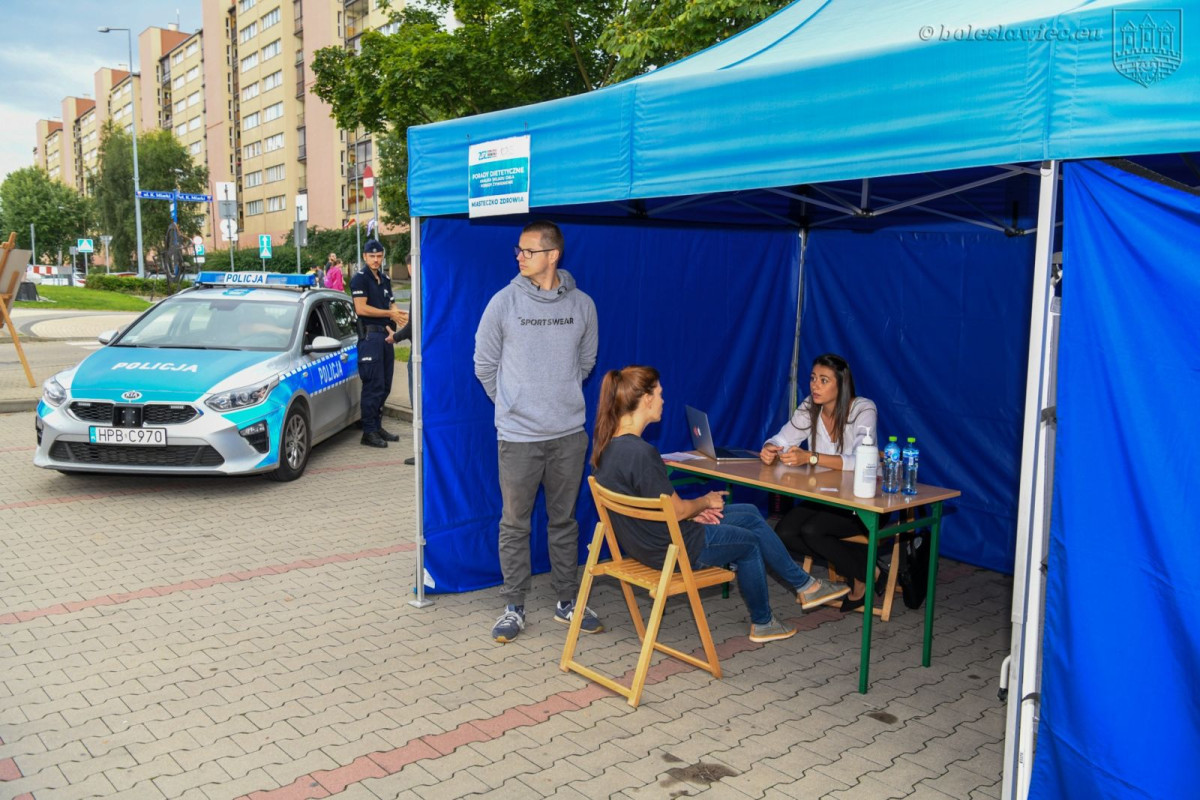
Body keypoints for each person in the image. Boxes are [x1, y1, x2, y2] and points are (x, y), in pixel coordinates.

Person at [591, 366, 850, 643]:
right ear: (646, 399)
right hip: (672, 549)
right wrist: (703, 503)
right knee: (748, 543)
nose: (664, 401)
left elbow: (655, 508)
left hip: (647, 542)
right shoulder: (643, 453)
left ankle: (805, 585)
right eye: (660, 394)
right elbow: (676, 510)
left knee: (749, 514)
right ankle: (764, 622)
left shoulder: (608, 447)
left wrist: (693, 514)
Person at [474, 220, 600, 643]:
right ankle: (514, 606)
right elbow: (484, 365)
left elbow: (585, 363)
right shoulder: (503, 303)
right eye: (519, 250)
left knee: (564, 521)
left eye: (528, 251)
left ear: (553, 255)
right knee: (515, 523)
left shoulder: (583, 305)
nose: (519, 257)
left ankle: (567, 601)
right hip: (518, 438)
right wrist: (512, 405)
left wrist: (558, 397)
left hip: (568, 434)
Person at [759, 353, 880, 611]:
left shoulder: (863, 409)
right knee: (785, 533)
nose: (815, 385)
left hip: (862, 499)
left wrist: (810, 457)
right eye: (813, 378)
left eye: (824, 380)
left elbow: (859, 460)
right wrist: (770, 447)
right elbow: (784, 437)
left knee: (812, 531)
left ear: (841, 384)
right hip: (827, 496)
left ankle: (860, 577)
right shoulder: (809, 406)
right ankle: (867, 569)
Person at [350, 239, 408, 448]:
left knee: (384, 386)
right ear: (365, 257)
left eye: (379, 256)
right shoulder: (360, 279)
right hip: (370, 338)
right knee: (373, 386)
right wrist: (390, 313)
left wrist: (399, 317)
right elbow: (361, 309)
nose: (376, 259)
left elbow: (391, 304)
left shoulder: (384, 279)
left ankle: (377, 426)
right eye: (372, 256)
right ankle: (368, 432)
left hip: (385, 336)